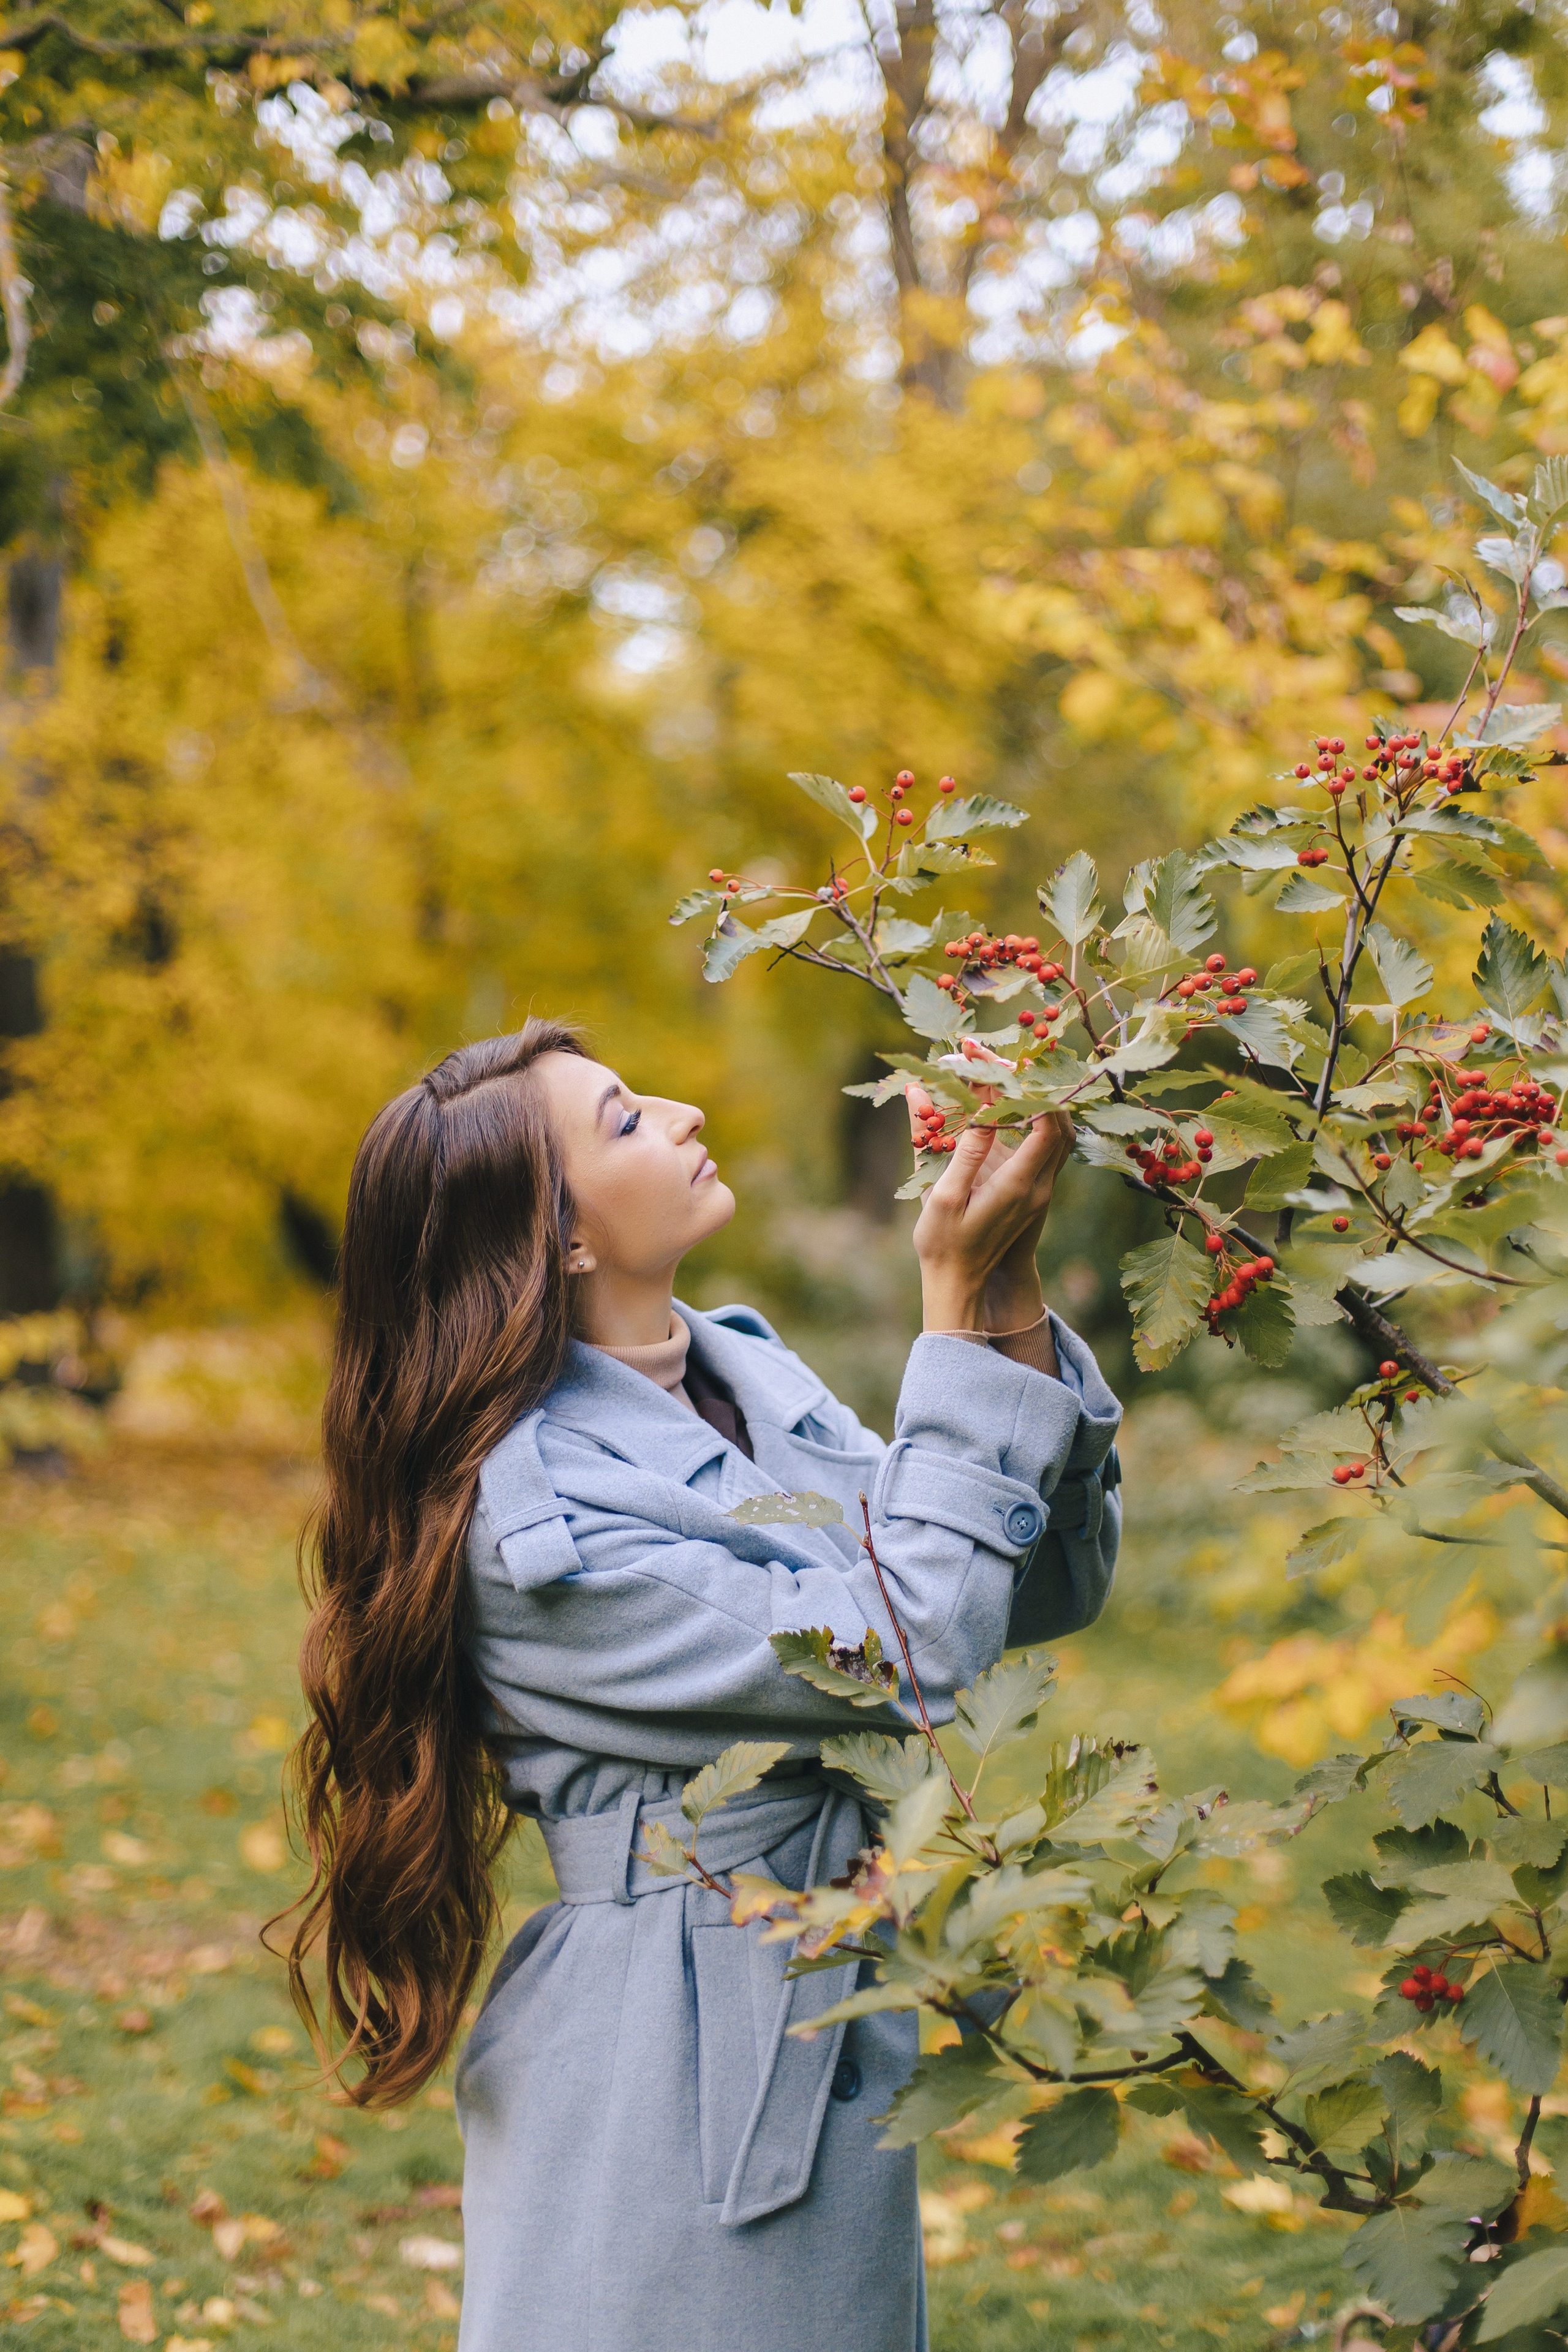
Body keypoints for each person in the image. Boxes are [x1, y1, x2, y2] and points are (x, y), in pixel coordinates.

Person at [288, 1020, 1123, 2352]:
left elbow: (1026, 1589)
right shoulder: (538, 1528)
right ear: (558, 1239)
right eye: (623, 1120)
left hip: (805, 1983)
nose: (677, 1112)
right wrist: (949, 1329)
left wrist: (1003, 1300)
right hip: (660, 2046)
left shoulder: (743, 1372)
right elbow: (898, 1653)